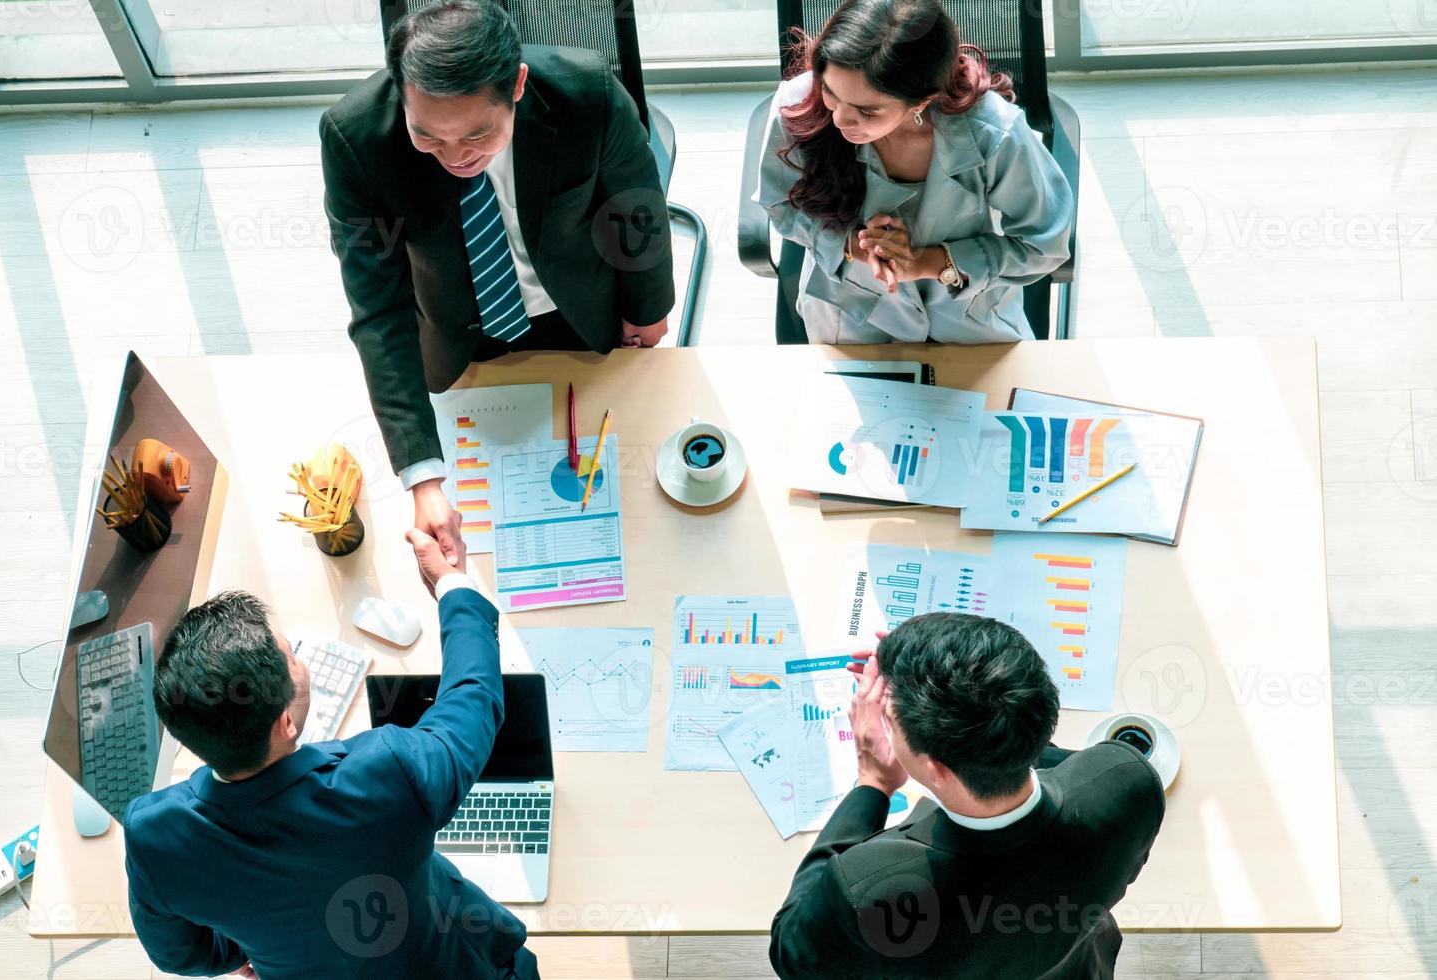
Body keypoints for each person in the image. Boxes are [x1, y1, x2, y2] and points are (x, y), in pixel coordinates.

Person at [321, 0, 674, 563]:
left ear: (517, 85)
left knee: (630, 487)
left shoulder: (587, 92)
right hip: (456, 332)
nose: (457, 156)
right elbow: (378, 306)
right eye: (428, 137)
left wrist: (647, 308)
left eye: (478, 135)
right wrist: (423, 478)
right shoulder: (354, 137)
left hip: (584, 310)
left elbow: (636, 209)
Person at [122, 530, 540, 979]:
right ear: (284, 723)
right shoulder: (387, 774)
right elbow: (472, 701)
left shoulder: (153, 835)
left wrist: (269, 945)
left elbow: (182, 955)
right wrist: (451, 583)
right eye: (292, 658)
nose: (300, 663)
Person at [770, 613, 1165, 979]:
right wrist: (949, 678)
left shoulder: (867, 888)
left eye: (889, 720)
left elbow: (793, 954)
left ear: (937, 769)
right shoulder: (1126, 781)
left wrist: (873, 784)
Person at [755, 0, 1073, 345]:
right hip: (848, 315)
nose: (839, 119)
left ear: (922, 101)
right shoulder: (797, 103)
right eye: (830, 91)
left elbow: (1044, 244)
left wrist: (926, 263)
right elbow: (781, 202)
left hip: (970, 322)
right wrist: (851, 246)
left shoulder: (994, 133)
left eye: (867, 111)